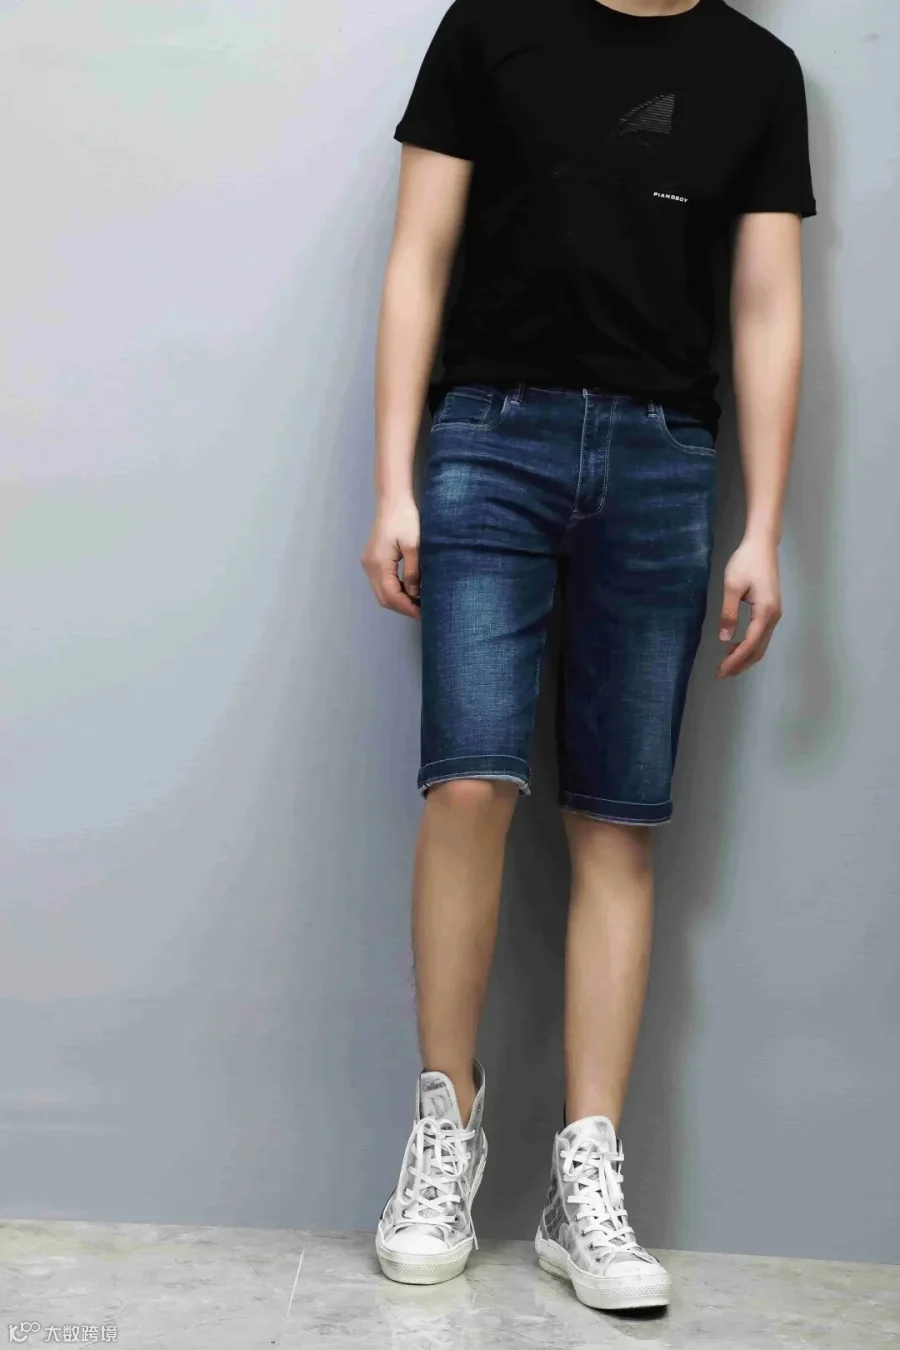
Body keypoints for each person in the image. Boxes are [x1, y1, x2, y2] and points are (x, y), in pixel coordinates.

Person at [362, 0, 815, 1313]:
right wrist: (392, 481)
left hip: (665, 460)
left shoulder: (757, 71)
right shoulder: (490, 26)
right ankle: (443, 1131)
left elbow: (768, 306)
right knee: (468, 784)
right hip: (486, 441)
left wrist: (764, 526)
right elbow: (418, 255)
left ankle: (586, 1183)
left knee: (617, 820)